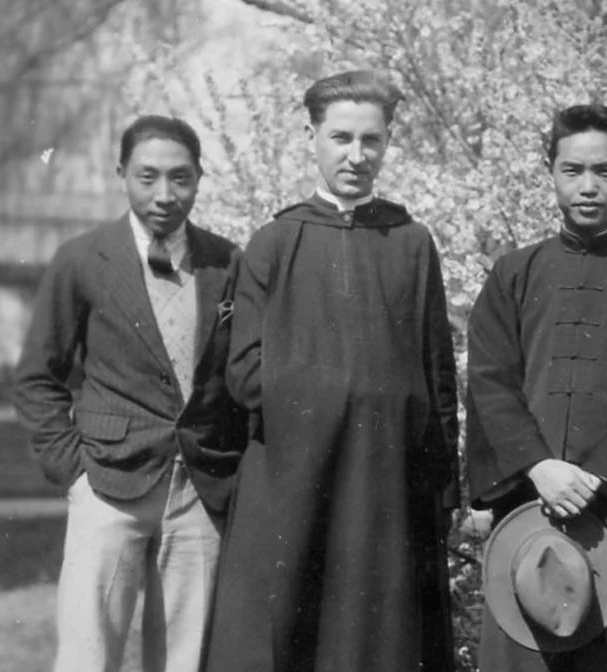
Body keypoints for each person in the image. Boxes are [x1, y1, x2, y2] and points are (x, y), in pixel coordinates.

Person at [201, 70, 460, 672]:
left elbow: (436, 375)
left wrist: (441, 486)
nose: (356, 155)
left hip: (387, 481)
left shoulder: (412, 242)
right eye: (340, 137)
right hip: (295, 473)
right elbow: (242, 374)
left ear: (390, 140)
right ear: (310, 135)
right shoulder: (274, 242)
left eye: (371, 140)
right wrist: (341, 397)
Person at [466, 103, 607, 671]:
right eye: (572, 171)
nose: (589, 187)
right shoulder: (513, 274)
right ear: (550, 171)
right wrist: (539, 466)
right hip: (529, 502)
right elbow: (490, 381)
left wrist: (597, 476)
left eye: (605, 171)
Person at [12, 115, 247, 672]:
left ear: (199, 179)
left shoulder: (227, 263)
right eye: (148, 177)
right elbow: (37, 376)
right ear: (121, 174)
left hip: (197, 491)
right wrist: (74, 468)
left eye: (180, 178)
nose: (165, 194)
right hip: (108, 483)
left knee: (187, 657)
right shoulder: (82, 258)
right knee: (89, 654)